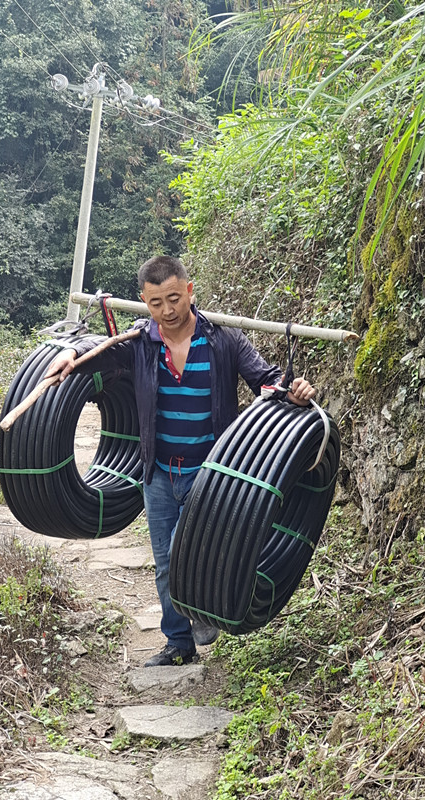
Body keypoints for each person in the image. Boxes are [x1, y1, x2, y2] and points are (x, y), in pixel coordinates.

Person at [45, 256, 316, 666]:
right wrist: (71, 352)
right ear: (144, 301)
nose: (167, 310)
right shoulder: (140, 342)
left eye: (174, 298)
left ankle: (199, 608)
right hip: (158, 474)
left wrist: (290, 391)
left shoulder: (224, 339)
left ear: (189, 290)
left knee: (186, 552)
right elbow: (98, 352)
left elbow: (265, 379)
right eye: (156, 303)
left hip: (211, 474)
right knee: (164, 562)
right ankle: (178, 643)